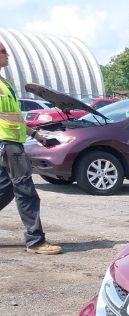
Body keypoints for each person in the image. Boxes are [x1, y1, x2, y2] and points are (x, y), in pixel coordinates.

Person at [0, 42, 63, 254]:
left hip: (11, 143)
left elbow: (15, 119)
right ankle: (35, 241)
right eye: (3, 52)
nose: (7, 56)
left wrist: (37, 135)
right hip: (7, 146)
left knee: (5, 190)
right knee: (25, 191)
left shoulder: (5, 85)